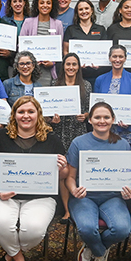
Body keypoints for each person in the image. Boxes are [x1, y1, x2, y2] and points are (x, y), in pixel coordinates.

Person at [0, 96, 68, 261]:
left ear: (38, 115)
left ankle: (10, 255)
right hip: (6, 195)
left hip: (40, 197)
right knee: (0, 224)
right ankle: (18, 258)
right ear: (14, 115)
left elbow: (63, 176)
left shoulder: (51, 139)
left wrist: (62, 167)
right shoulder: (1, 137)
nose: (26, 116)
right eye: (21, 111)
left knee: (33, 230)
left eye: (30, 112)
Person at [65, 102, 131, 261]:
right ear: (90, 120)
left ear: (113, 120)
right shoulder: (78, 142)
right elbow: (70, 177)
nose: (102, 121)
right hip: (84, 196)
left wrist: (128, 191)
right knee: (87, 228)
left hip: (113, 197)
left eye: (106, 117)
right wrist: (74, 190)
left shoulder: (123, 144)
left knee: (123, 229)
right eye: (97, 117)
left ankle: (92, 246)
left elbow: (127, 177)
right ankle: (100, 252)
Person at [50, 53, 90, 219]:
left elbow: (90, 109)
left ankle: (80, 207)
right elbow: (47, 110)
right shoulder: (55, 84)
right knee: (63, 171)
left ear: (78, 66)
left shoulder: (86, 85)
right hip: (60, 131)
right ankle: (66, 209)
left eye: (74, 64)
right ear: (63, 66)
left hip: (78, 131)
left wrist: (85, 116)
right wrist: (52, 118)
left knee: (77, 170)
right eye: (68, 64)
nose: (71, 67)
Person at [93, 45, 131, 146]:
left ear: (125, 58)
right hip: (104, 129)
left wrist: (130, 119)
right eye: (114, 56)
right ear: (109, 58)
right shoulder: (100, 80)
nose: (117, 60)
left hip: (128, 131)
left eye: (121, 57)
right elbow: (96, 106)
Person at [19, 0, 64, 86]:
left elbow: (59, 49)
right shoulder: (28, 22)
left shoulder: (58, 24)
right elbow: (21, 46)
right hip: (30, 70)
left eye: (48, 3)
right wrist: (31, 61)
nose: (45, 5)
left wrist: (53, 62)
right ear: (37, 5)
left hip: (49, 72)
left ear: (53, 6)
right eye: (42, 3)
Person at [62, 0, 107, 86]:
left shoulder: (100, 29)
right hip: (76, 75)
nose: (84, 11)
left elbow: (105, 51)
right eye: (80, 9)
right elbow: (65, 51)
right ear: (77, 13)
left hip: (97, 75)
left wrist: (100, 64)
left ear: (91, 10)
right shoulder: (71, 29)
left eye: (86, 8)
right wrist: (75, 64)